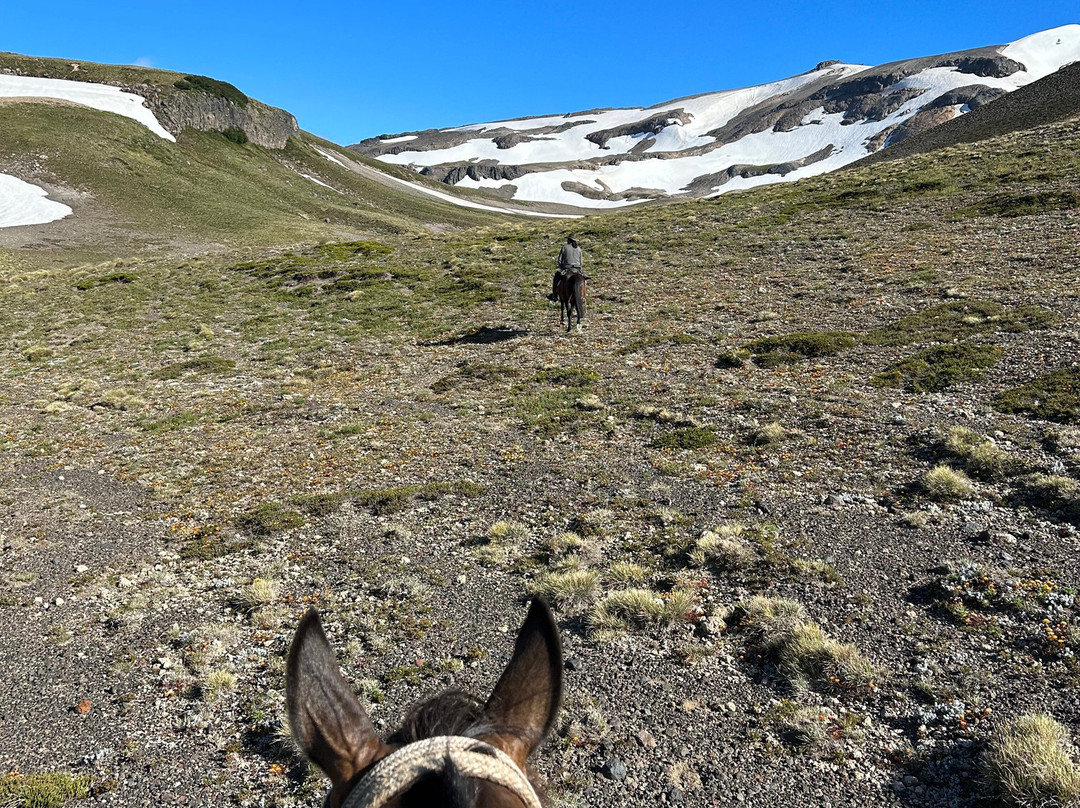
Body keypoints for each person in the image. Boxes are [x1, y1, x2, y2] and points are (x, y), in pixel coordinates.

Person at [548, 236, 590, 301]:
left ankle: (554, 295)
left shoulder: (564, 247)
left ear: (569, 240)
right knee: (584, 280)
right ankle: (584, 296)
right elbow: (581, 261)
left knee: (556, 278)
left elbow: (559, 260)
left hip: (567, 268)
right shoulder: (579, 249)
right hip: (577, 269)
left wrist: (562, 268)